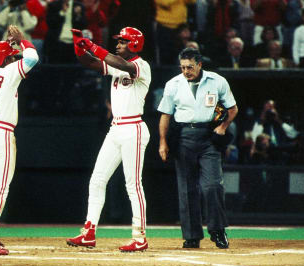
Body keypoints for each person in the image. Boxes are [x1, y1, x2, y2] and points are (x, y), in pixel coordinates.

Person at [66, 27, 151, 252]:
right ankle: (89, 232)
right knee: (97, 179)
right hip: (116, 128)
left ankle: (139, 236)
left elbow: (123, 65)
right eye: (118, 41)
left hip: (134, 127)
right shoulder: (115, 65)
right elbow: (90, 63)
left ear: (133, 44)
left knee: (133, 185)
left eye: (123, 42)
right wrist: (78, 46)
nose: (118, 44)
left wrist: (94, 46)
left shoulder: (141, 65)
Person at [157, 47, 238, 249]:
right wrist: (162, 141)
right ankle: (191, 236)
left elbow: (233, 109)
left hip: (209, 137)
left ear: (199, 64)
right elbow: (165, 115)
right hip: (184, 136)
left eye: (190, 67)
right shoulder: (173, 84)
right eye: (183, 67)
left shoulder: (217, 81)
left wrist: (222, 127)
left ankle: (218, 231)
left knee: (213, 186)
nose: (186, 71)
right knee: (186, 188)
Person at [0, 25, 39, 255]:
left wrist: (6, 43)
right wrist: (20, 41)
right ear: (4, 61)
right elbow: (33, 56)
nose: (13, 60)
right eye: (9, 58)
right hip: (0, 134)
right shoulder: (8, 73)